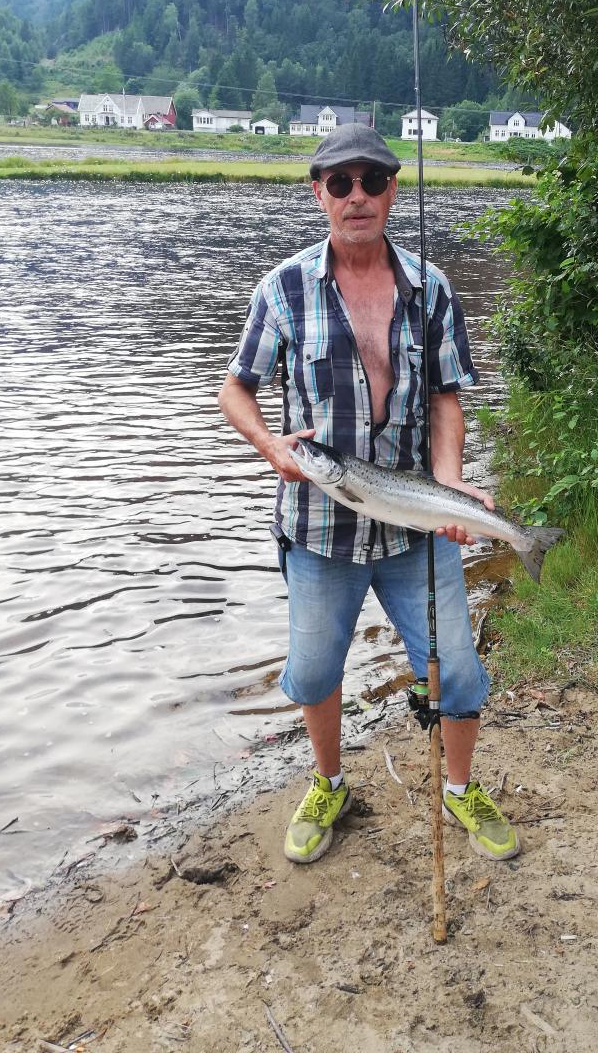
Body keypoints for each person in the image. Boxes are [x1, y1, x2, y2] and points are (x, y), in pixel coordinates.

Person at [218, 123, 519, 865]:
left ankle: (459, 788)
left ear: (392, 192)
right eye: (341, 183)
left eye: (373, 181)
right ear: (318, 193)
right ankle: (329, 784)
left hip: (417, 526)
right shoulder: (283, 289)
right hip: (320, 532)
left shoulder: (432, 289)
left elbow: (447, 399)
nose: (358, 196)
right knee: (315, 673)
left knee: (458, 673)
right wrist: (271, 446)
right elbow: (235, 390)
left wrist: (451, 480)